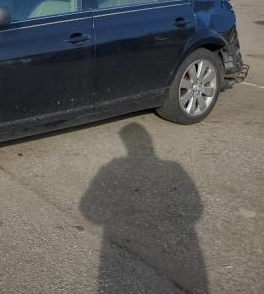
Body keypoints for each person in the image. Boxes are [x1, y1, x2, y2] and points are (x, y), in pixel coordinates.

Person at [80, 123, 208, 293]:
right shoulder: (173, 168)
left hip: (123, 248)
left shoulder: (113, 167)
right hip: (174, 251)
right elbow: (195, 209)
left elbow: (87, 208)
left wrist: (117, 216)